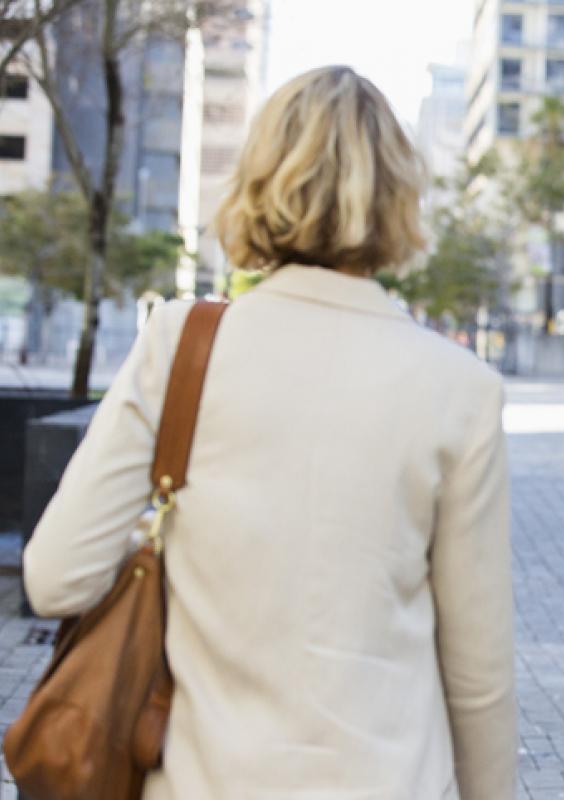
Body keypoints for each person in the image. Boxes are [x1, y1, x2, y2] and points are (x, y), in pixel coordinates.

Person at [23, 66, 516, 800]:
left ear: (258, 179)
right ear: (397, 197)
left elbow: (57, 575)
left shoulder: (180, 345)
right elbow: (477, 675)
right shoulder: (461, 388)